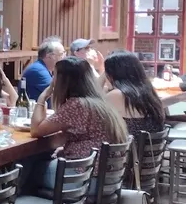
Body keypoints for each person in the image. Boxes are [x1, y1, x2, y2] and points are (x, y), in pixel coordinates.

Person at [28, 57, 128, 194]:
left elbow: (36, 130)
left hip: (84, 179)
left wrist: (42, 97)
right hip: (108, 179)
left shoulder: (77, 105)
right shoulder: (100, 102)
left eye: (55, 76)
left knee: (25, 170)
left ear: (64, 81)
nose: (52, 80)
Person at [103, 50, 166, 139]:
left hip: (131, 150)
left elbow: (95, 105)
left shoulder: (116, 95)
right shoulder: (147, 90)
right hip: (153, 149)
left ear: (112, 74)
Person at [22, 36, 66, 101]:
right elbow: (59, 93)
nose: (64, 57)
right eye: (61, 54)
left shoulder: (44, 68)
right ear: (49, 56)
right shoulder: (38, 70)